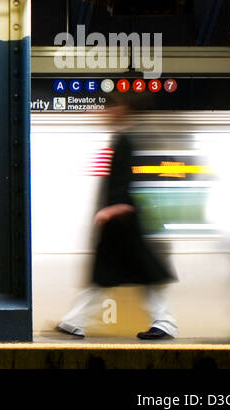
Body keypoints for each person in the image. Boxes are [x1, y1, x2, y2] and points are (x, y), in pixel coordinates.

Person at [56, 100, 178, 340]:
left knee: (134, 274)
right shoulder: (124, 138)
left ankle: (165, 324)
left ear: (120, 111)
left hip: (125, 224)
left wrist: (113, 209)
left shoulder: (127, 140)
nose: (102, 114)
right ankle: (74, 322)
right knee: (117, 275)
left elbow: (128, 182)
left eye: (107, 109)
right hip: (121, 225)